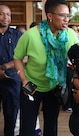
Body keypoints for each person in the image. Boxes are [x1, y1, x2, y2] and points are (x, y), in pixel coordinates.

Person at [13, 0, 78, 135]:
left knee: (51, 125)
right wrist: (24, 80)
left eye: (68, 15)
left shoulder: (70, 35)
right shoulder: (30, 35)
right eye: (62, 15)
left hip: (54, 86)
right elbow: (17, 58)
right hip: (31, 84)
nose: (67, 20)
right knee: (27, 127)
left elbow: (76, 58)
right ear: (49, 16)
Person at [0, 4, 22, 136]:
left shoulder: (18, 35)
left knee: (11, 114)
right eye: (2, 14)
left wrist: (5, 67)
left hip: (12, 80)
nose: (6, 17)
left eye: (8, 14)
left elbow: (24, 57)